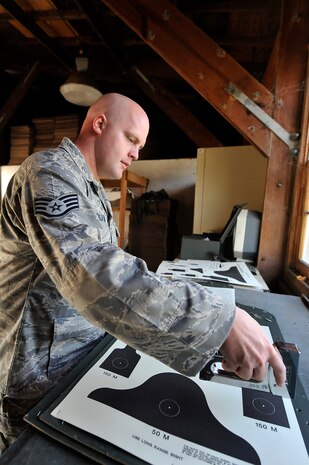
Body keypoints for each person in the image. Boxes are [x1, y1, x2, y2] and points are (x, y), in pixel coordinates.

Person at [0, 93, 285, 454]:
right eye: (132, 139)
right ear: (99, 124)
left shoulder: (93, 191)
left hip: (77, 359)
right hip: (36, 372)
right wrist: (217, 322)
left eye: (141, 146)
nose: (137, 153)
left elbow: (116, 265)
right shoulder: (49, 173)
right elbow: (93, 274)